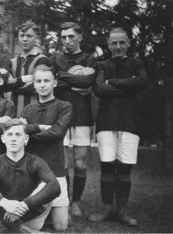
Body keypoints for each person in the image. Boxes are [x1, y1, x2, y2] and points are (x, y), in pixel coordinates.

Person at [89, 27, 148, 226]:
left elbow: (142, 81)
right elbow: (99, 89)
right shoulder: (101, 64)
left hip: (131, 122)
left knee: (125, 168)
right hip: (106, 122)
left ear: (128, 43)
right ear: (108, 44)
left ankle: (121, 210)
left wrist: (112, 82)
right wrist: (128, 85)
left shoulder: (136, 62)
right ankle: (107, 208)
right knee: (107, 166)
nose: (118, 47)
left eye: (122, 42)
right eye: (114, 43)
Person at [0, 119, 60, 233]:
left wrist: (25, 205)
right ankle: (24, 231)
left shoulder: (36, 161)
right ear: (3, 139)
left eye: (18, 135)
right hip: (3, 214)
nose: (13, 138)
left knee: (48, 184)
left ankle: (6, 230)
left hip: (30, 214)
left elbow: (55, 186)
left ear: (26, 139)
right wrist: (5, 203)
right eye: (9, 134)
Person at [50, 22, 96, 216]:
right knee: (62, 163)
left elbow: (87, 81)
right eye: (63, 37)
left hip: (82, 116)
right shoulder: (56, 59)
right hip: (60, 117)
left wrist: (62, 76)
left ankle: (76, 201)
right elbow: (53, 83)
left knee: (79, 163)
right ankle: (64, 200)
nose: (67, 41)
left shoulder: (89, 59)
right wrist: (73, 79)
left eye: (71, 36)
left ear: (80, 37)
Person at [20, 67, 73, 231]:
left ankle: (48, 214)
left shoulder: (64, 106)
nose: (42, 85)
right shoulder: (28, 109)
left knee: (61, 226)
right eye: (38, 81)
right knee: (29, 220)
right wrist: (40, 127)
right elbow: (21, 134)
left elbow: (57, 132)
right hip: (31, 172)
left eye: (46, 81)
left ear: (55, 83)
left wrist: (29, 130)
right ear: (34, 85)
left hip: (55, 169)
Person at [8, 22, 51, 116]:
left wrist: (14, 86)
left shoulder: (41, 60)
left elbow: (36, 87)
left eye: (29, 36)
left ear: (36, 38)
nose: (25, 39)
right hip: (14, 113)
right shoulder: (13, 62)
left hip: (36, 113)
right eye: (22, 35)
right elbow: (5, 86)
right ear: (17, 38)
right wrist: (22, 80)